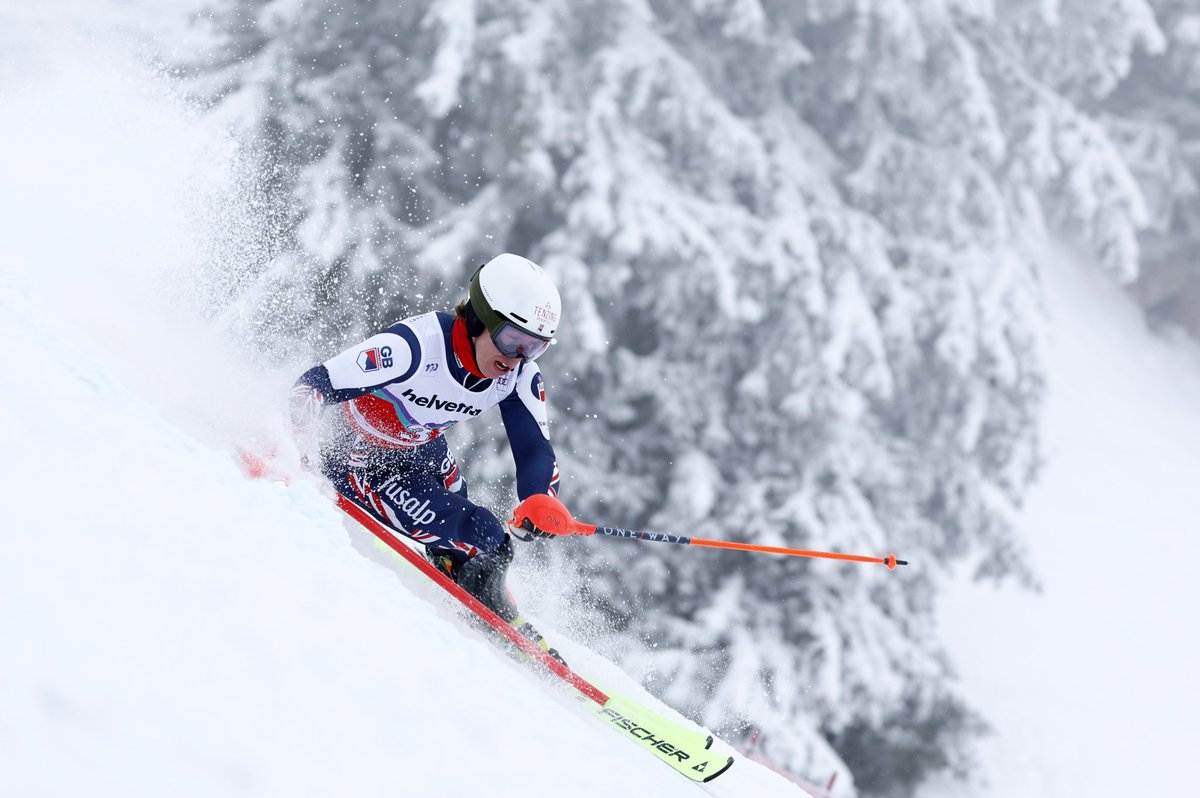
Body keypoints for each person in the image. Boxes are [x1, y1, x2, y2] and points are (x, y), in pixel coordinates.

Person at [289, 253, 567, 662]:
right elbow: (313, 386)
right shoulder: (415, 347)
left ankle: (466, 570)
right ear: (479, 318)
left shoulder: (518, 376)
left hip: (420, 452)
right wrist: (293, 448)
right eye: (512, 339)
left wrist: (539, 498)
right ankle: (465, 566)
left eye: (535, 347)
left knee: (471, 513)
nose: (517, 358)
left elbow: (535, 449)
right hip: (358, 460)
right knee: (483, 537)